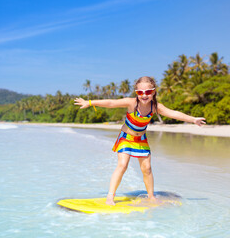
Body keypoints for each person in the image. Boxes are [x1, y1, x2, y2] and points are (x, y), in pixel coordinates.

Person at [74, 76, 206, 205]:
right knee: (123, 165)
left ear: (153, 91)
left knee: (147, 168)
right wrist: (89, 102)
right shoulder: (132, 103)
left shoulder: (155, 107)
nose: (144, 95)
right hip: (125, 138)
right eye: (140, 92)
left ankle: (151, 197)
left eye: (148, 92)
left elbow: (173, 113)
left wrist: (193, 119)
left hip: (141, 140)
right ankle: (110, 197)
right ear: (136, 93)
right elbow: (111, 103)